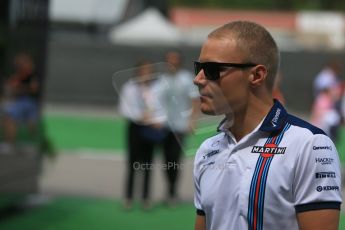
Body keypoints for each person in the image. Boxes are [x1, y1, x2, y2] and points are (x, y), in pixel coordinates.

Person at [193, 21, 342, 230]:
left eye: (211, 70)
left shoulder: (310, 145)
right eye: (198, 68)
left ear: (256, 75)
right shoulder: (207, 151)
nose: (198, 79)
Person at [119, 60, 167, 210]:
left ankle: (146, 199)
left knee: (147, 164)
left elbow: (163, 108)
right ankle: (128, 198)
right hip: (135, 128)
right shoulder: (130, 87)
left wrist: (157, 121)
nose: (146, 73)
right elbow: (124, 109)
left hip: (151, 129)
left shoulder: (158, 87)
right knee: (132, 164)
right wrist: (141, 117)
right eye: (144, 70)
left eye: (149, 70)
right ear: (138, 72)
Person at [158, 51, 199, 205]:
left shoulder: (186, 78)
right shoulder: (162, 80)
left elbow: (195, 100)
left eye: (175, 60)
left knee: (175, 159)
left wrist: (192, 121)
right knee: (166, 159)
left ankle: (172, 191)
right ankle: (169, 189)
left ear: (179, 62)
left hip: (180, 126)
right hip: (163, 126)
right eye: (169, 61)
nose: (172, 63)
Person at [1, 53, 39, 153]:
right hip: (22, 101)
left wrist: (18, 89)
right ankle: (32, 143)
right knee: (29, 123)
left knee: (9, 117)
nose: (17, 64)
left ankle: (9, 144)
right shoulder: (20, 74)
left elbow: (33, 89)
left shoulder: (31, 74)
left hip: (27, 101)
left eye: (20, 62)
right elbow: (10, 86)